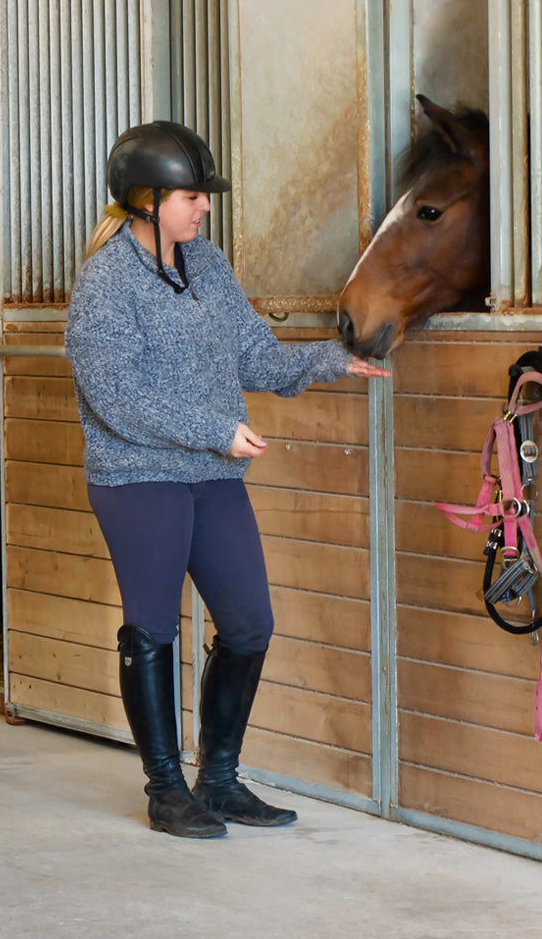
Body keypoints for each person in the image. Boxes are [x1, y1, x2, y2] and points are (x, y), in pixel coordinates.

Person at [64, 121, 388, 839]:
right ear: (145, 200)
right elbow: (117, 399)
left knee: (248, 625)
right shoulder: (105, 284)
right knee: (150, 627)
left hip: (213, 475)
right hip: (138, 476)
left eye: (203, 197)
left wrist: (331, 362)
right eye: (191, 196)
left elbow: (256, 358)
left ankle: (217, 781)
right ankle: (165, 789)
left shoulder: (205, 264)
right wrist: (216, 430)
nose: (204, 207)